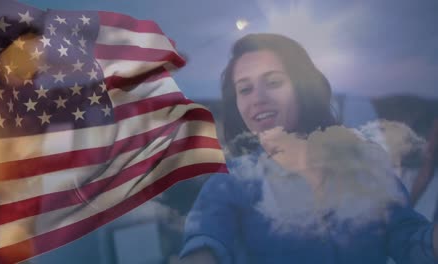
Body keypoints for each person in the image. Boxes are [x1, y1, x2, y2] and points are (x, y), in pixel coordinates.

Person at [178, 33, 438, 264]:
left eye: (274, 82)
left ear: (305, 89)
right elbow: (205, 244)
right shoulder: (230, 183)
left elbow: (411, 243)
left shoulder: (367, 169)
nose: (258, 98)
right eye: (245, 89)